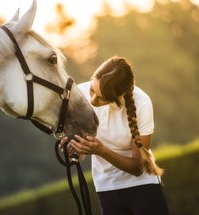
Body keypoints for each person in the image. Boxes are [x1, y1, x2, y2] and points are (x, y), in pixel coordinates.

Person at [61, 56, 169, 215]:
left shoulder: (142, 103)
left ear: (119, 98)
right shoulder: (79, 95)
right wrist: (71, 149)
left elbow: (137, 168)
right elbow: (80, 153)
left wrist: (101, 150)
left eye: (101, 98)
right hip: (106, 189)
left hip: (144, 188)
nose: (92, 100)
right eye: (92, 89)